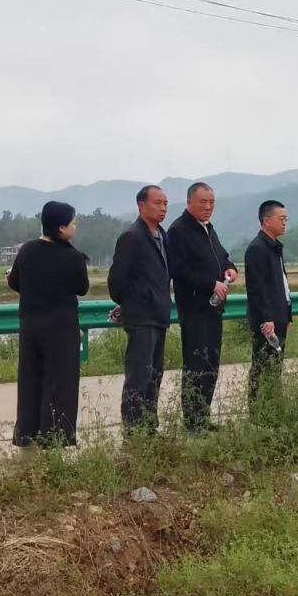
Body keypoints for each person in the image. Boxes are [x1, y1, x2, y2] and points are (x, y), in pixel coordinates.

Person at [6, 200, 90, 446]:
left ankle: (26, 434)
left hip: (31, 326)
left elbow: (15, 282)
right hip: (61, 328)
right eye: (73, 223)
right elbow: (82, 288)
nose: (75, 227)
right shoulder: (72, 257)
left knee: (30, 379)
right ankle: (55, 437)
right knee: (60, 382)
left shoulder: (27, 250)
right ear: (60, 227)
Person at [166, 181, 238, 431]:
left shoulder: (208, 229)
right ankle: (193, 422)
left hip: (213, 308)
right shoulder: (179, 230)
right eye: (203, 202)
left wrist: (230, 268)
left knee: (211, 364)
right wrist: (210, 283)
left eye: (212, 203)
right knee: (196, 364)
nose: (208, 207)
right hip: (194, 308)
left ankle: (203, 417)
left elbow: (222, 256)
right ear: (189, 202)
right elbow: (178, 270)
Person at [107, 185, 171, 432]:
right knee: (139, 377)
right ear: (141, 205)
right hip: (142, 317)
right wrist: (130, 302)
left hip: (159, 315)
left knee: (154, 375)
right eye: (157, 203)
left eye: (165, 203)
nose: (162, 208)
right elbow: (117, 281)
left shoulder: (162, 235)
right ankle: (134, 432)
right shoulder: (132, 237)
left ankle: (149, 429)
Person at [244, 199, 292, 399]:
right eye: (281, 219)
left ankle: (273, 406)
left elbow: (282, 284)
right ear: (266, 220)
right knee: (262, 364)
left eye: (286, 219)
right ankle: (257, 409)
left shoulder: (274, 246)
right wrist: (267, 318)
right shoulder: (257, 248)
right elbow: (258, 288)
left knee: (275, 366)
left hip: (279, 315)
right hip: (267, 320)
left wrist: (288, 314)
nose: (285, 223)